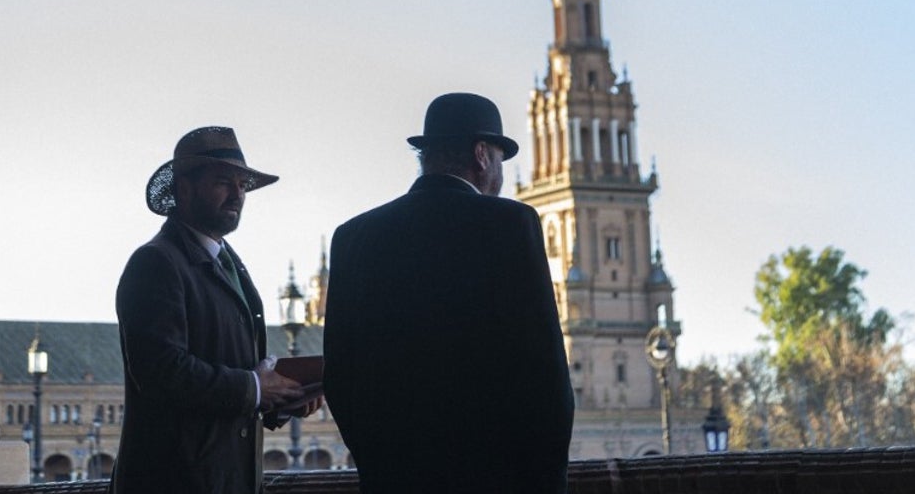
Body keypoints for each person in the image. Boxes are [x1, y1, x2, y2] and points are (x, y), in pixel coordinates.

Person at [324, 93, 574, 494]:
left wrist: (379, 464)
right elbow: (542, 368)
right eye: (499, 159)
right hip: (495, 478)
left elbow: (339, 374)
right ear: (481, 155)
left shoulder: (354, 236)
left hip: (395, 477)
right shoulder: (509, 223)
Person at [111, 126, 311, 494]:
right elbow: (161, 372)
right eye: (224, 182)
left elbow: (231, 376)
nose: (237, 194)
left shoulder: (229, 263)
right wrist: (253, 388)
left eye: (242, 185)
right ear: (184, 188)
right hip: (175, 481)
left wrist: (279, 398)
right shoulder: (156, 262)